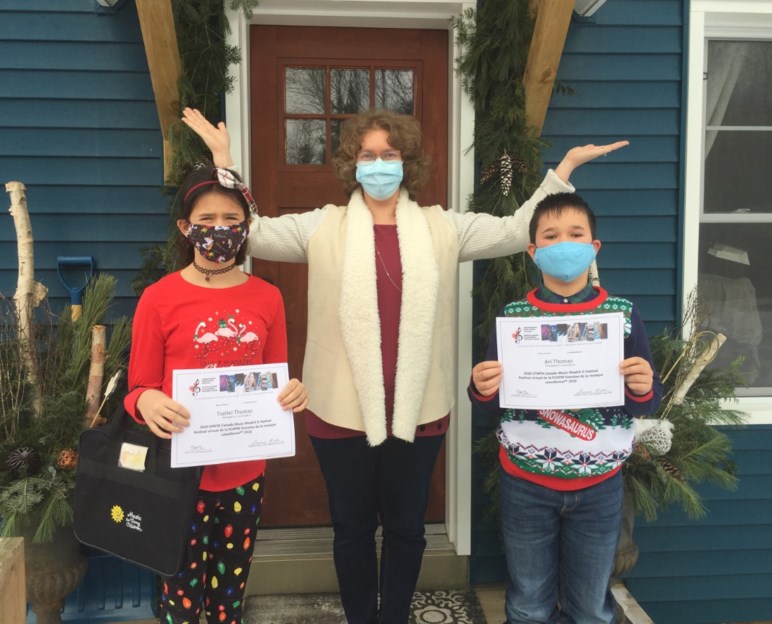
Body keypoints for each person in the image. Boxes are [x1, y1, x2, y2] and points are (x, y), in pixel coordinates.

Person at [182, 106, 626, 624]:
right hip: (337, 414)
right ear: (352, 163)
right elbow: (249, 233)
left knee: (407, 529)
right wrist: (223, 160)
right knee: (349, 529)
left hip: (420, 412)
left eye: (388, 155)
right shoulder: (322, 226)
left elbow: (512, 231)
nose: (378, 165)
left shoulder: (443, 227)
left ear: (406, 162)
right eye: (367, 155)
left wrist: (563, 171)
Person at [123, 166, 309, 624]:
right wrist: (145, 401)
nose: (220, 230)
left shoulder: (267, 297)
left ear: (246, 228)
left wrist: (292, 393)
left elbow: (276, 376)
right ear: (186, 228)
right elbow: (137, 387)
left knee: (230, 596)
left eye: (232, 218)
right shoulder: (159, 298)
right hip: (178, 474)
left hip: (244, 474)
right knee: (180, 596)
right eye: (207, 220)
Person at [469, 192, 663, 624]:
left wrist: (644, 386)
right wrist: (481, 388)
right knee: (527, 603)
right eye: (551, 237)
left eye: (575, 234)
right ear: (534, 252)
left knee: (591, 606)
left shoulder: (623, 316)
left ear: (593, 247)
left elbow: (645, 398)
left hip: (600, 485)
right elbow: (491, 402)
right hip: (525, 482)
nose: (564, 244)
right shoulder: (515, 317)